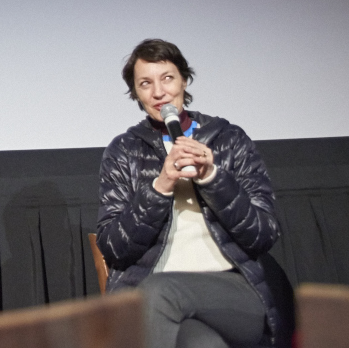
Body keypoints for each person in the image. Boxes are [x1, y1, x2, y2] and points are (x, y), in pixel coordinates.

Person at [95, 39, 281, 348]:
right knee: (201, 344)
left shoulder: (229, 139)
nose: (158, 92)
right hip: (156, 298)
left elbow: (263, 234)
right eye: (145, 84)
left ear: (184, 79)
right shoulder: (123, 151)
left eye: (167, 78)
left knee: (160, 291)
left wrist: (212, 177)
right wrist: (161, 186)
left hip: (232, 291)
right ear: (136, 94)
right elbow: (114, 248)